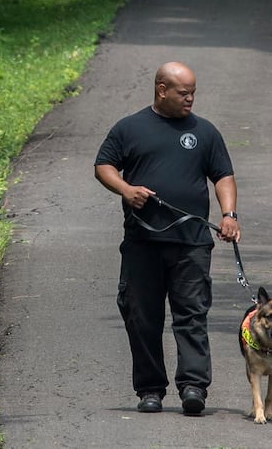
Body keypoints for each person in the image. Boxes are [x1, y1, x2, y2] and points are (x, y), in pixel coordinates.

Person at [94, 62, 240, 416]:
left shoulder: (204, 132)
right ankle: (150, 389)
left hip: (191, 243)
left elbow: (223, 175)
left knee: (191, 314)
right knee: (141, 316)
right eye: (183, 93)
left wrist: (229, 215)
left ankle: (193, 386)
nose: (190, 99)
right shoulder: (130, 128)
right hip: (142, 242)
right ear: (162, 90)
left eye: (193, 93)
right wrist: (126, 190)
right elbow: (103, 166)